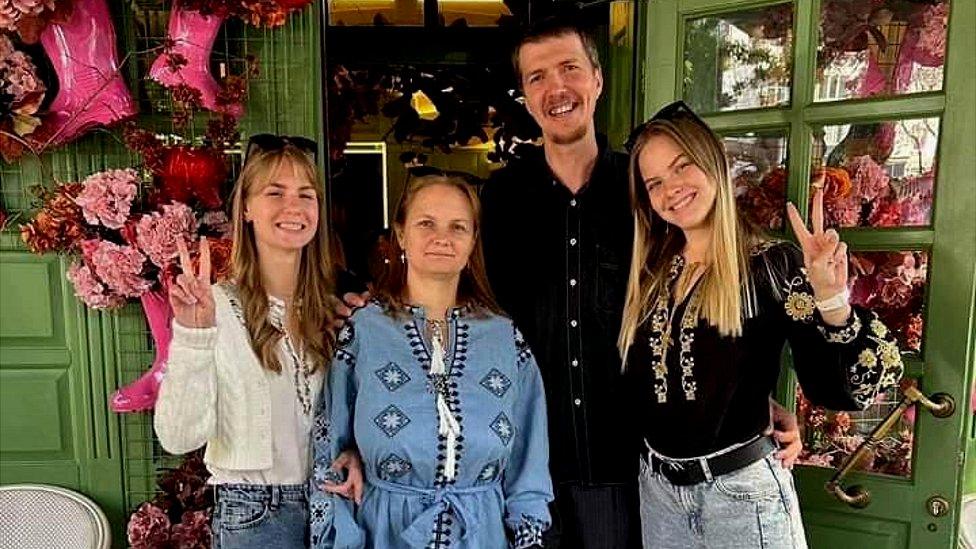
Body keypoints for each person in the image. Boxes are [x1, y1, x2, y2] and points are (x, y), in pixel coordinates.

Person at [478, 17, 802, 548]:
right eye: (537, 77)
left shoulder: (648, 195)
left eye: (569, 69)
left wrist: (747, 402)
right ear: (526, 95)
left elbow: (701, 298)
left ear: (597, 80)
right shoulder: (499, 202)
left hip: (635, 472)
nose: (556, 88)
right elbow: (459, 295)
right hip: (526, 466)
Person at [619, 101, 905, 548]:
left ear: (712, 161)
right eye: (654, 182)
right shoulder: (650, 273)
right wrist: (752, 397)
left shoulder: (770, 266)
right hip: (659, 496)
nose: (671, 188)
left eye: (681, 167)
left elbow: (836, 388)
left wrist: (830, 297)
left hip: (741, 497)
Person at [310, 174, 553, 548]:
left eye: (458, 227)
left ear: (473, 241)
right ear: (402, 234)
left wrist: (527, 535)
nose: (443, 237)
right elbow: (330, 458)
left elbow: (529, 462)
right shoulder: (364, 331)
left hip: (481, 536)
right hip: (385, 535)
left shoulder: (505, 339)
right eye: (427, 223)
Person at [154, 135, 360, 549]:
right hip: (255, 512)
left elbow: (351, 409)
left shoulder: (332, 309)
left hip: (333, 504)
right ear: (246, 207)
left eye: (306, 194)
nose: (294, 207)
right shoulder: (216, 307)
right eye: (275, 192)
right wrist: (194, 337)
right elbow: (177, 438)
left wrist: (355, 450)